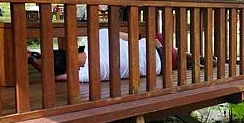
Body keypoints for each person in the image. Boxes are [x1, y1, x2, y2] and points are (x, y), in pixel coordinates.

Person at [28, 29, 161, 82]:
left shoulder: (92, 72)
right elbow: (133, 38)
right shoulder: (98, 35)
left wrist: (32, 60)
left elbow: (54, 77)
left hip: (159, 64)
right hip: (153, 45)